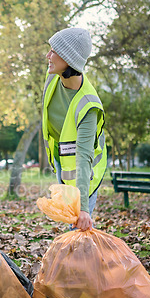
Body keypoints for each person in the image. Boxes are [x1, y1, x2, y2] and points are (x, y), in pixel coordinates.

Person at [41, 27, 107, 232]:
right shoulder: (53, 77)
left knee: (78, 224)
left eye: (53, 51)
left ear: (68, 59)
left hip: (86, 170)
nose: (47, 56)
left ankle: (87, 263)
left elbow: (84, 157)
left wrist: (84, 209)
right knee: (71, 223)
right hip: (63, 161)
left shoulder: (88, 105)